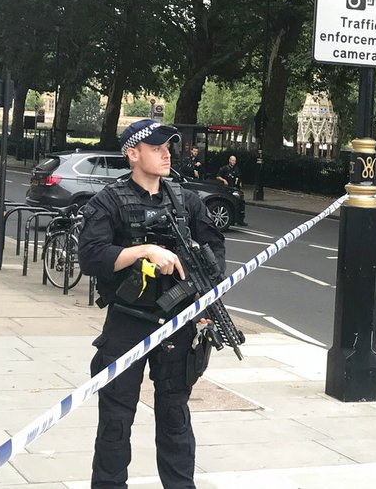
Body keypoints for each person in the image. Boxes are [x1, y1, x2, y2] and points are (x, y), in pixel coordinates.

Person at [78, 119, 226, 488]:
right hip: (129, 322)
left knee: (175, 416)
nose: (166, 154)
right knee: (116, 420)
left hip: (178, 322)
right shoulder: (108, 201)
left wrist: (202, 295)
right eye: (157, 147)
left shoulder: (186, 200)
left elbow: (215, 251)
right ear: (133, 153)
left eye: (168, 147)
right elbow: (92, 257)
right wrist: (143, 250)